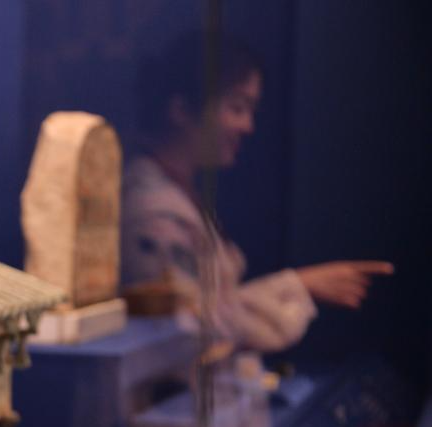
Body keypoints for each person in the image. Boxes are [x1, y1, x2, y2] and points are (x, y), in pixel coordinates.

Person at [122, 32, 393, 353]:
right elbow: (190, 328)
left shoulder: (178, 193)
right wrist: (299, 286)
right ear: (181, 109)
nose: (247, 126)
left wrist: (299, 285)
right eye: (236, 108)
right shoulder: (150, 208)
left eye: (250, 111)